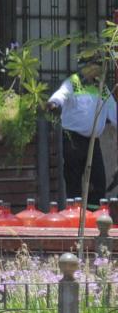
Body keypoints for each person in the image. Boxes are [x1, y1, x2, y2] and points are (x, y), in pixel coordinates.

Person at [48, 60, 117, 208]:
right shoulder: (73, 82)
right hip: (73, 140)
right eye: (95, 64)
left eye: (99, 65)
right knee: (73, 181)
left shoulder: (102, 87)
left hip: (93, 142)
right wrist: (54, 103)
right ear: (85, 67)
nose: (98, 68)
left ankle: (93, 216)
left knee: (98, 181)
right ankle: (74, 215)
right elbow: (62, 94)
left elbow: (113, 110)